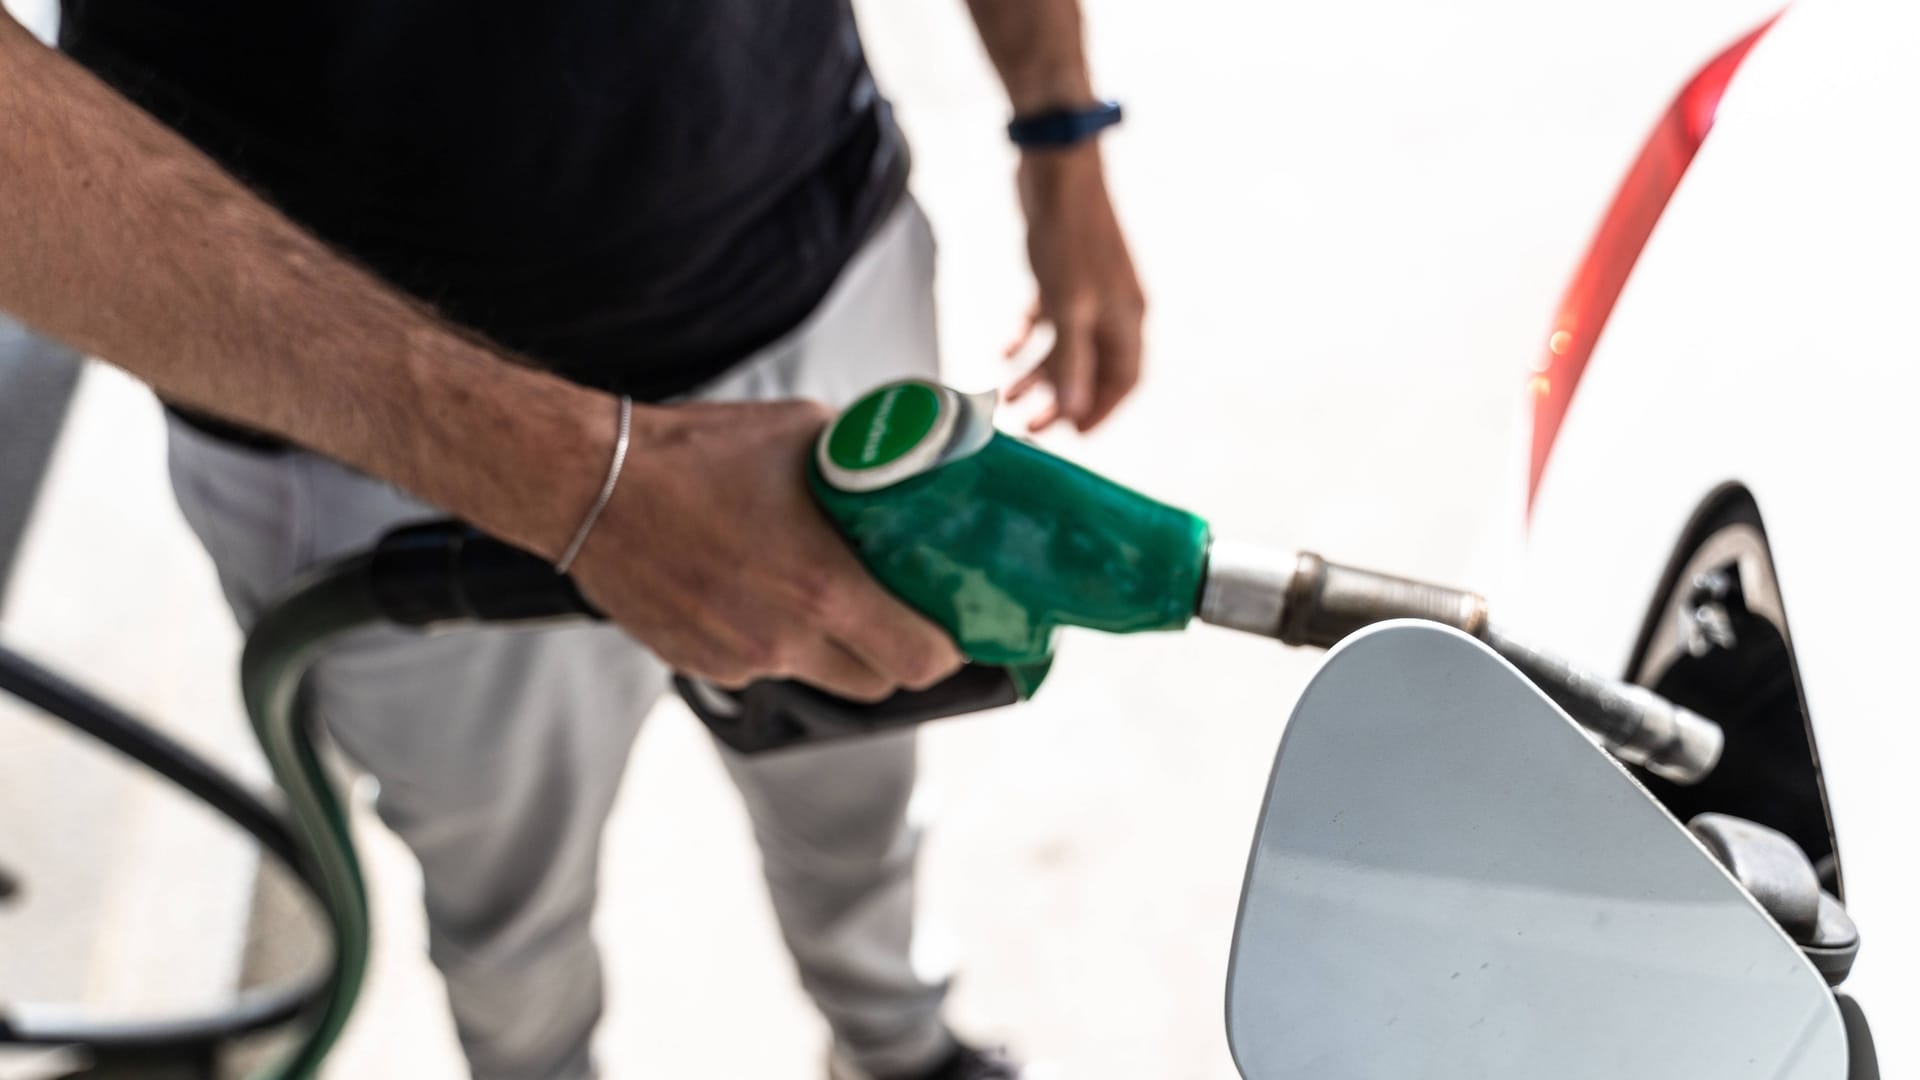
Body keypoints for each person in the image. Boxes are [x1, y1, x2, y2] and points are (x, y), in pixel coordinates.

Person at [0, 2, 1145, 1078]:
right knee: (508, 904)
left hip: (816, 263)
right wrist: (574, 477)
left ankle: (898, 1043)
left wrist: (1062, 125)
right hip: (366, 434)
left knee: (859, 782)